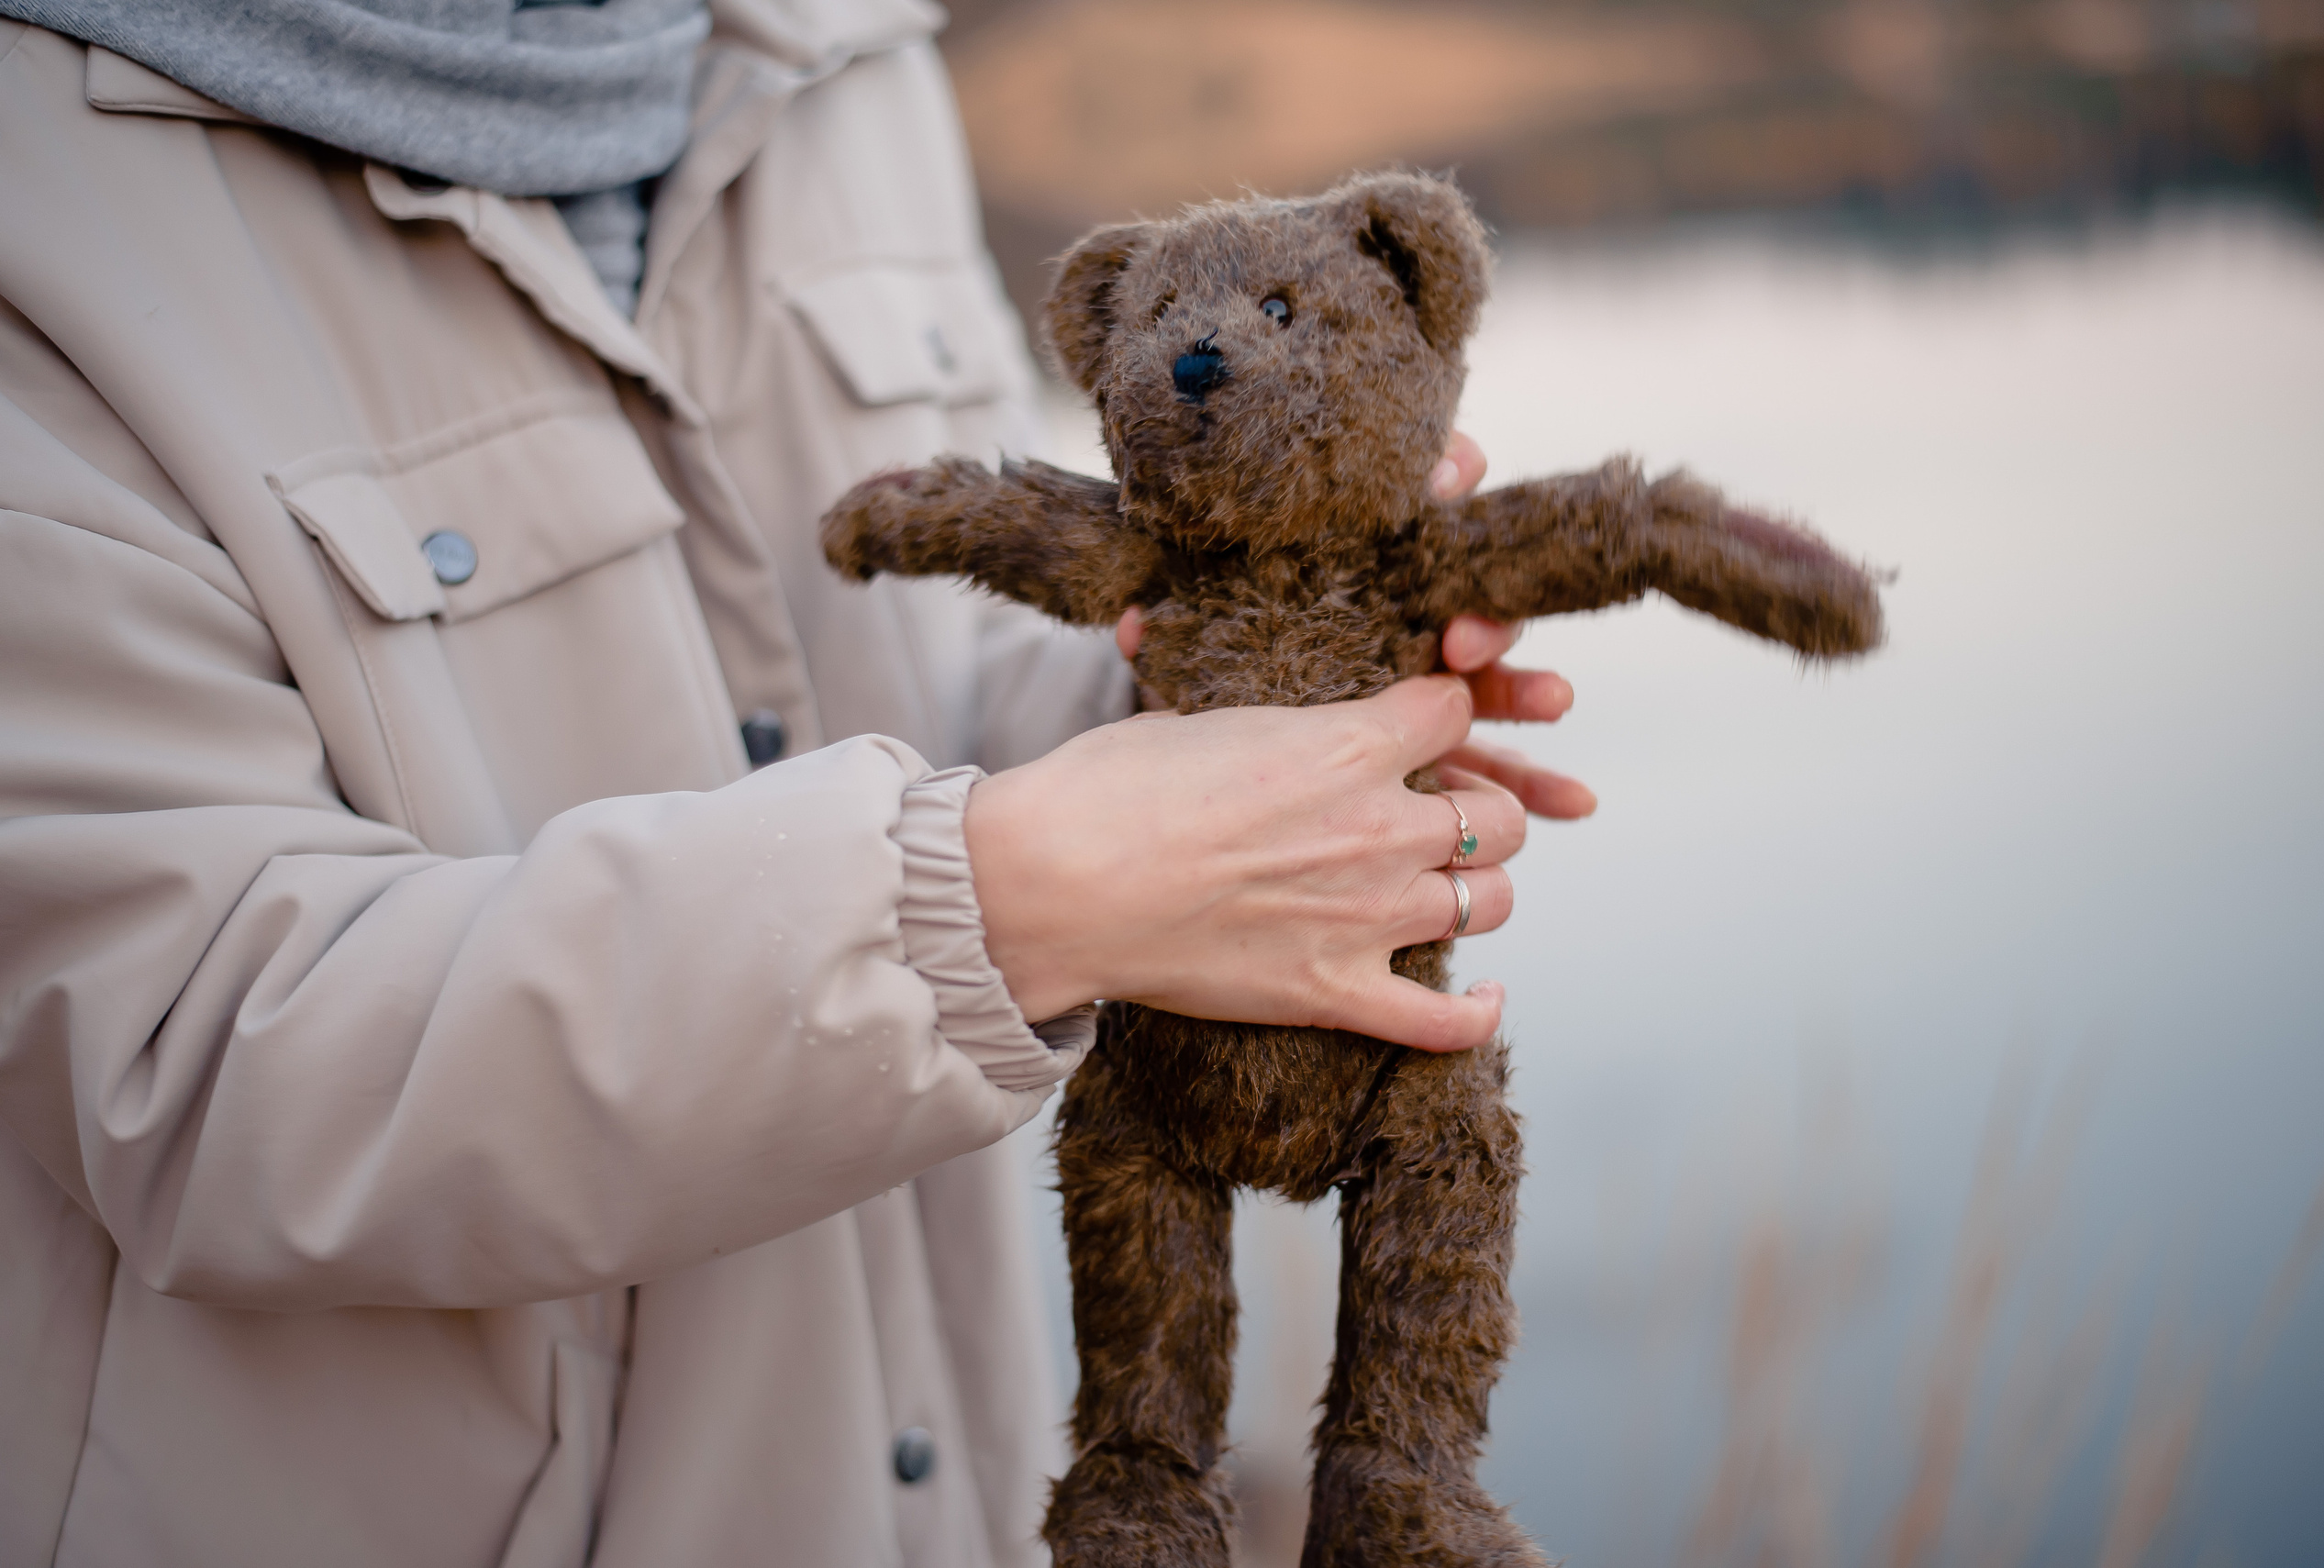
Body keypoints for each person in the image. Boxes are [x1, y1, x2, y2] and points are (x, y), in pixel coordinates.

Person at [0, 1, 1592, 1562]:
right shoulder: (45, 181)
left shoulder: (845, 51)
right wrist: (995, 902)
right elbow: (192, 1054)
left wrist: (1213, 698)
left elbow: (915, 684)